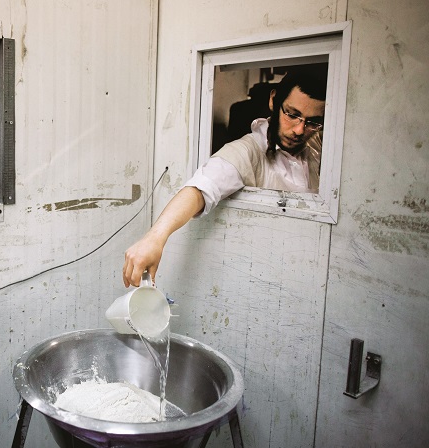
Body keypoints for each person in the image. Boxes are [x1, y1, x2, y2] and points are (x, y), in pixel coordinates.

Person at [123, 66, 327, 287]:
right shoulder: (247, 151)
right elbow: (199, 189)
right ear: (274, 101)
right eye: (292, 114)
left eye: (312, 122)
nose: (299, 130)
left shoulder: (317, 143)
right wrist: (155, 238)